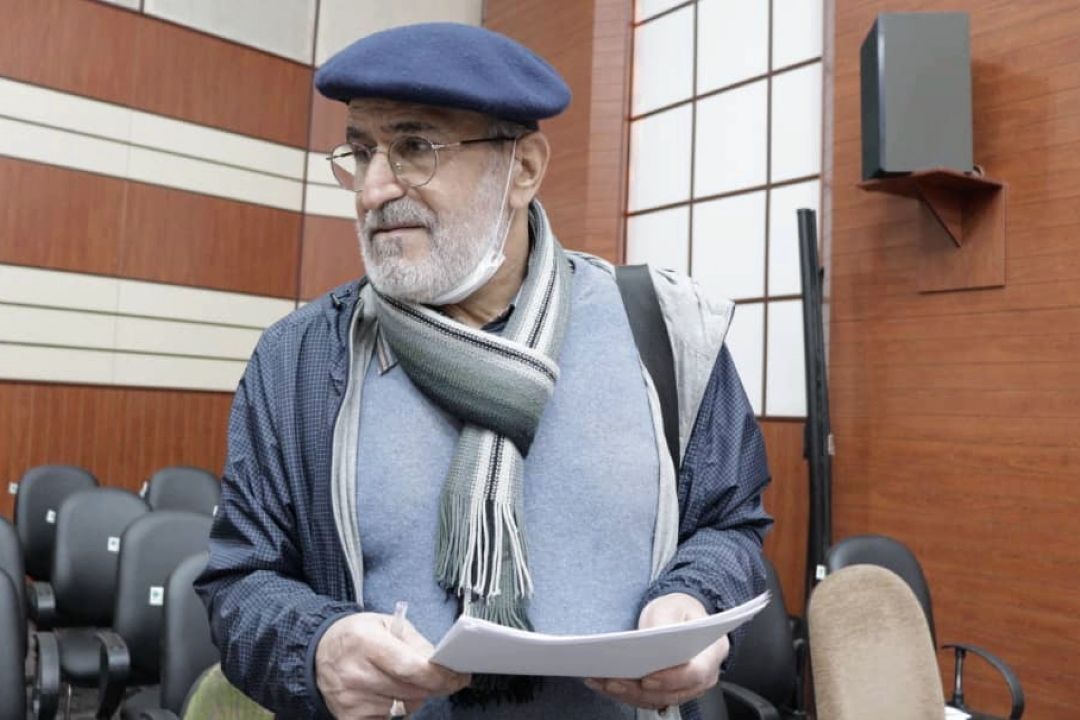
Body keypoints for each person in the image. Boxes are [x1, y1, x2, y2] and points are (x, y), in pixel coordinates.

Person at [196, 22, 772, 720]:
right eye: (361, 151)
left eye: (414, 148)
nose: (373, 189)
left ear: (523, 169)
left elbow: (728, 524)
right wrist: (315, 647)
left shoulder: (666, 330)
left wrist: (695, 598)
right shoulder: (300, 361)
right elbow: (241, 580)